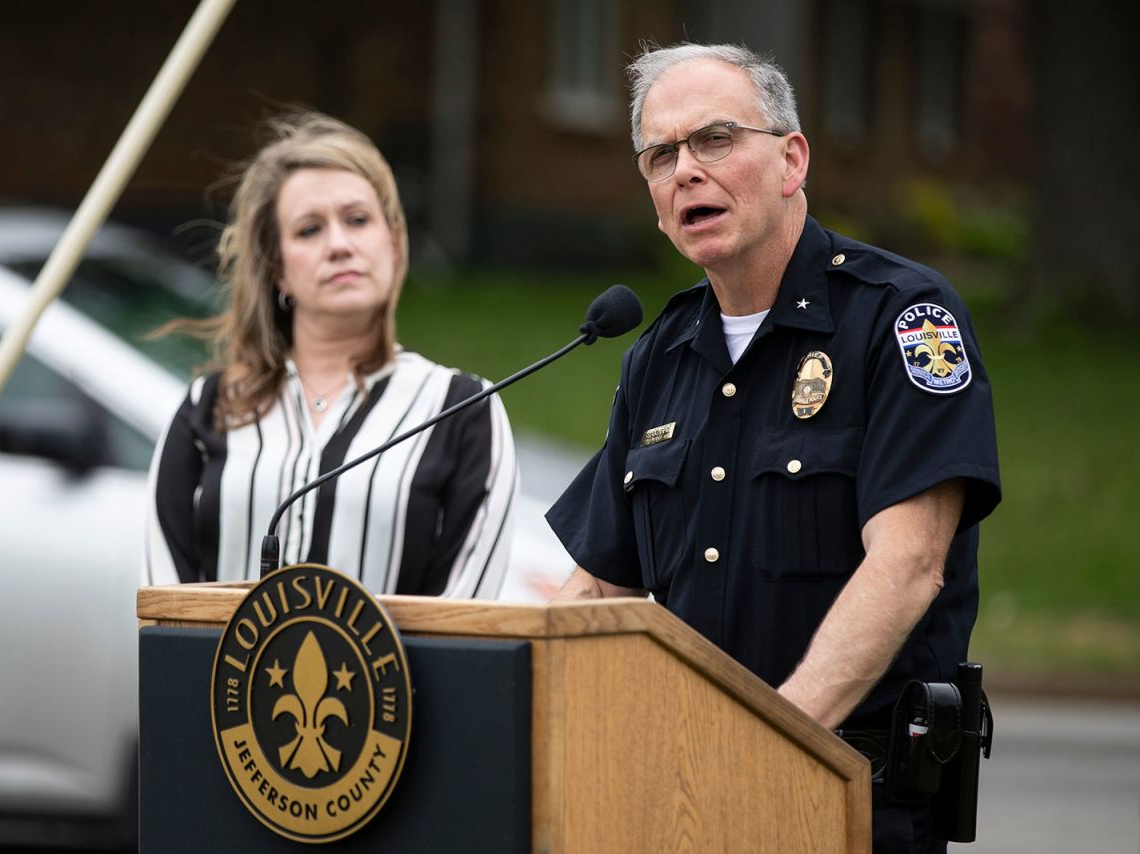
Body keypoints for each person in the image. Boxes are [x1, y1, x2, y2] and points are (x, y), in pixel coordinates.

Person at [546, 43, 1000, 853]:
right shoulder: (659, 353)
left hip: (853, 804)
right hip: (687, 806)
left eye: (715, 139)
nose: (685, 170)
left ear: (792, 159)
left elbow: (907, 566)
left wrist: (766, 749)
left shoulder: (901, 319)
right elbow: (599, 592)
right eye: (660, 155)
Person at [146, 111, 517, 599]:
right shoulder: (206, 410)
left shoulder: (464, 413)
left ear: (395, 243)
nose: (339, 245)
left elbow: (467, 629)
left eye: (358, 220)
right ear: (278, 269)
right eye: (309, 230)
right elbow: (164, 613)